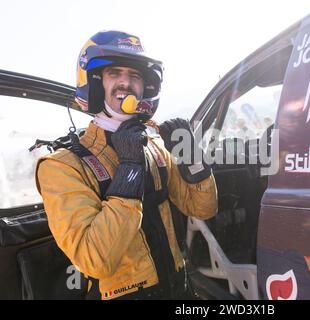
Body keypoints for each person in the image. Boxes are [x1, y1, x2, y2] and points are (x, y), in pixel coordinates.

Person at [35, 30, 218, 300]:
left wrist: (192, 157)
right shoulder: (62, 166)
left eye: (135, 76)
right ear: (95, 83)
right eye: (114, 73)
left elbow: (203, 208)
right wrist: (130, 168)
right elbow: (95, 260)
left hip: (179, 288)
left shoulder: (155, 148)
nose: (126, 83)